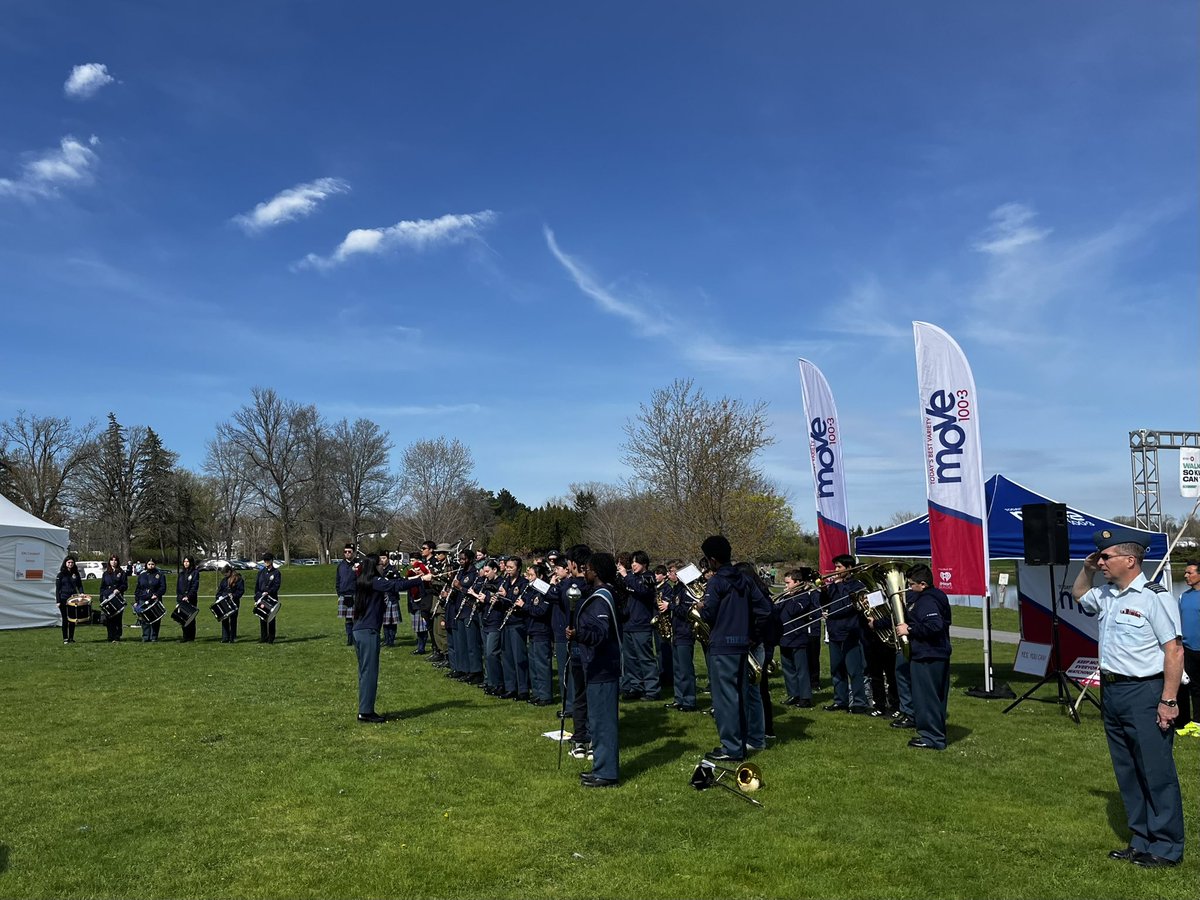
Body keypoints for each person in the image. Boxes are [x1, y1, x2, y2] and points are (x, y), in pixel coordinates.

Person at [1071, 528, 1184, 869]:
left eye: (1106, 556)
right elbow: (1078, 594)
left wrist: (1168, 700)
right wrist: (1087, 569)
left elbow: (1174, 651)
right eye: (1100, 557)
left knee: (1155, 770)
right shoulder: (1107, 595)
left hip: (1145, 692)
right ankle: (1140, 838)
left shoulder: (1154, 597)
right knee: (1128, 770)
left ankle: (1166, 846)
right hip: (1113, 690)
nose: (1101, 561)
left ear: (1130, 560)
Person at [696, 535, 771, 762]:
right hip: (742, 645)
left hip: (722, 646)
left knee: (725, 700)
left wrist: (701, 605)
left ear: (712, 559)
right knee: (741, 697)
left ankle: (731, 747)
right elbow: (765, 610)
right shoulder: (745, 579)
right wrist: (751, 634)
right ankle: (741, 743)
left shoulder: (717, 582)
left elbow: (708, 614)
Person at [566, 551, 624, 787]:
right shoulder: (602, 594)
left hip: (603, 667)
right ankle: (600, 766)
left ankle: (607, 773)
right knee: (597, 721)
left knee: (603, 723)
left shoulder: (602, 598)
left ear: (596, 572)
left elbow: (600, 633)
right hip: (597, 667)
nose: (584, 573)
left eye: (588, 569)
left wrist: (579, 634)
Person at [352, 554, 432, 722]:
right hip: (368, 632)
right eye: (380, 564)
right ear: (374, 566)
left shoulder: (364, 580)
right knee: (369, 673)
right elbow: (396, 586)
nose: (383, 566)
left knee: (364, 672)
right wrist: (420, 578)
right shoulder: (375, 581)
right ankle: (366, 712)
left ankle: (364, 709)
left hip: (360, 630)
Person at [894, 564, 951, 750]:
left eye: (912, 584)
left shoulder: (927, 601)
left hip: (928, 654)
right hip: (935, 653)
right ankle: (936, 734)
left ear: (923, 584)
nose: (909, 587)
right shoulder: (936, 596)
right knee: (935, 696)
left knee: (926, 698)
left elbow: (935, 625)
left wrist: (908, 629)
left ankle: (932, 737)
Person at [822, 554, 870, 713]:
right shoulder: (834, 585)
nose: (835, 570)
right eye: (835, 567)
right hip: (834, 631)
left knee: (854, 669)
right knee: (837, 669)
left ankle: (859, 702)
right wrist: (823, 589)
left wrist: (840, 584)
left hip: (850, 631)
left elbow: (847, 606)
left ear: (849, 568)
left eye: (839, 567)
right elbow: (825, 603)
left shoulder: (856, 586)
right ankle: (840, 700)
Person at [618, 551, 659, 702]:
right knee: (631, 659)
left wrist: (626, 576)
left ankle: (652, 689)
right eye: (632, 562)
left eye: (637, 562)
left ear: (644, 564)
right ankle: (636, 687)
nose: (633, 565)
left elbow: (643, 590)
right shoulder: (632, 578)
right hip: (629, 623)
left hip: (641, 624)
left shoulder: (648, 577)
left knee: (645, 658)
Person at [777, 568, 819, 708]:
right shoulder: (785, 597)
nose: (786, 586)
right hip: (784, 636)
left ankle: (805, 697)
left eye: (788, 583)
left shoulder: (804, 596)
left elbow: (795, 610)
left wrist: (789, 596)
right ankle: (793, 694)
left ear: (797, 583)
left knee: (801, 669)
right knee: (788, 669)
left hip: (798, 637)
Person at [660, 562, 698, 712]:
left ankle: (689, 701)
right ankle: (679, 698)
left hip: (685, 633)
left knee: (686, 669)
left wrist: (670, 607)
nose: (669, 575)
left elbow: (687, 611)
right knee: (677, 669)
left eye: (672, 572)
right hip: (676, 633)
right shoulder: (676, 589)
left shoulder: (688, 590)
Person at [522, 562, 555, 706]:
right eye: (528, 575)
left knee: (542, 665)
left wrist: (524, 606)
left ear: (540, 576)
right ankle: (537, 693)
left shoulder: (545, 592)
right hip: (532, 630)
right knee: (533, 664)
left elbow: (541, 611)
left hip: (542, 631)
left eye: (532, 575)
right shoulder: (531, 591)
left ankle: (545, 695)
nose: (529, 578)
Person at [1178, 561, 1199, 730]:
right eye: (1185, 572)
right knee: (1184, 685)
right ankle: (1184, 721)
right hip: (1187, 649)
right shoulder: (1183, 596)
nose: (1185, 575)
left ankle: (1198, 722)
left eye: (1189, 572)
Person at [135, 558, 167, 642]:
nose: (151, 566)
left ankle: (154, 636)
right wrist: (137, 600)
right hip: (143, 599)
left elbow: (163, 588)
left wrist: (156, 595)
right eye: (149, 564)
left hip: (155, 600)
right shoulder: (142, 575)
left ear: (155, 565)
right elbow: (138, 589)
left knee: (155, 619)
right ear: (146, 565)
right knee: (145, 619)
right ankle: (145, 636)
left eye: (152, 564)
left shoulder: (160, 575)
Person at [55, 555, 83, 644]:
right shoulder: (61, 574)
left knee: (72, 619)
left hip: (73, 598)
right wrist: (58, 601)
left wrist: (81, 593)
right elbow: (57, 589)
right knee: (65, 619)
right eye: (69, 562)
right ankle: (65, 638)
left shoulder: (76, 574)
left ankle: (71, 637)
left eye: (72, 562)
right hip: (63, 599)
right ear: (65, 563)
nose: (70, 564)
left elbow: (79, 585)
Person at [100, 555, 128, 643]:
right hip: (107, 597)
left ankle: (117, 636)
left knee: (118, 618)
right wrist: (102, 598)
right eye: (112, 560)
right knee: (109, 618)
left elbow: (125, 585)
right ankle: (110, 636)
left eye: (115, 560)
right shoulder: (106, 573)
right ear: (109, 562)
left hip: (117, 597)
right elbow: (102, 587)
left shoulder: (122, 573)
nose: (114, 562)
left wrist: (119, 589)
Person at [256, 553, 281, 643]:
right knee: (262, 617)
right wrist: (257, 597)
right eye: (265, 560)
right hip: (261, 597)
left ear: (271, 560)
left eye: (268, 560)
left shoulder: (276, 572)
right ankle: (263, 637)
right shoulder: (261, 572)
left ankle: (271, 638)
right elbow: (257, 585)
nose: (266, 562)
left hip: (271, 598)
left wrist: (269, 592)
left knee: (270, 618)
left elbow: (276, 585)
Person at [217, 564, 245, 643]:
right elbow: (219, 591)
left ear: (229, 571)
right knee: (224, 619)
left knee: (233, 619)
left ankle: (232, 637)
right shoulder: (224, 580)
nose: (225, 575)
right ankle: (225, 637)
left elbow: (241, 591)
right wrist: (218, 597)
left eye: (225, 573)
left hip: (234, 602)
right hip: (224, 602)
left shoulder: (238, 579)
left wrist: (234, 595)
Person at [335, 543, 357, 646]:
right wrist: (339, 594)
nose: (347, 553)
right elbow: (337, 581)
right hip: (343, 595)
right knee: (347, 619)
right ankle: (349, 639)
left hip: (354, 594)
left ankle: (356, 638)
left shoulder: (357, 565)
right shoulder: (340, 566)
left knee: (356, 619)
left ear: (353, 553)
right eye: (345, 552)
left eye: (349, 552)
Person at [176, 556, 200, 642]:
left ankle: (191, 637)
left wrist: (188, 596)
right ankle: (185, 636)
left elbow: (194, 586)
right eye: (184, 561)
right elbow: (178, 587)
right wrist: (179, 598)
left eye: (188, 562)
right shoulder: (181, 574)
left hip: (191, 599)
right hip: (181, 599)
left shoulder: (195, 572)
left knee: (191, 618)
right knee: (183, 618)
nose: (186, 563)